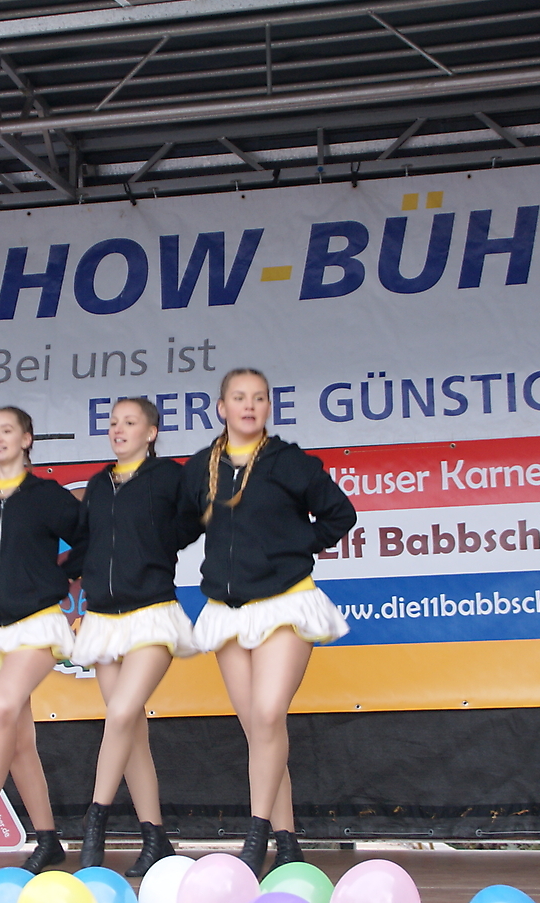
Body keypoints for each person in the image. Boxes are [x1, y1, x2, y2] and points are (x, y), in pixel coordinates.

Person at [179, 368, 357, 876]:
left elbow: (340, 515)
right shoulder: (201, 468)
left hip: (285, 604)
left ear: (268, 407)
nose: (249, 405)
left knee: (268, 713)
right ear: (221, 407)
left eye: (258, 398)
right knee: (258, 729)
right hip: (227, 611)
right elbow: (177, 528)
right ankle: (288, 839)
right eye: (239, 397)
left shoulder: (289, 462)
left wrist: (293, 547)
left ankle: (255, 835)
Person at [70, 397, 203, 875]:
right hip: (103, 620)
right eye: (113, 423)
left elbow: (195, 519)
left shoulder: (169, 477)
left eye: (129, 422)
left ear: (151, 432)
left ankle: (95, 821)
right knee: (131, 733)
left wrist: (157, 545)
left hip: (151, 614)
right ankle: (155, 838)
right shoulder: (98, 484)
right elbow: (84, 544)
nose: (118, 429)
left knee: (122, 712)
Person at [0, 406, 83, 872]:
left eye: (7, 430)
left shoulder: (47, 496)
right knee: (18, 741)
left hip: (37, 623)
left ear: (27, 439)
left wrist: (62, 574)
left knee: (1, 709)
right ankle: (48, 839)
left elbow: (89, 536)